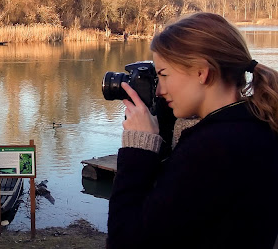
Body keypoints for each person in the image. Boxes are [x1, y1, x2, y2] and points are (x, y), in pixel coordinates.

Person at [107, 12, 278, 248]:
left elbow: (126, 240)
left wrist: (138, 149)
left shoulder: (210, 150)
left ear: (201, 72)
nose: (159, 90)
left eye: (164, 75)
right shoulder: (259, 126)